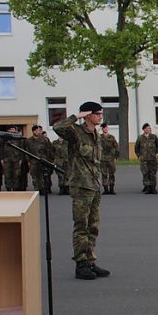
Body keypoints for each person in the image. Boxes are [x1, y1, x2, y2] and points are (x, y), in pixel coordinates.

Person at [53, 101, 110, 280]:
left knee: (93, 226)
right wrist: (76, 116)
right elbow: (57, 127)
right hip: (81, 185)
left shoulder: (96, 134)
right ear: (88, 115)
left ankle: (90, 260)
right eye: (97, 113)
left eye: (101, 114)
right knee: (81, 226)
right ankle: (81, 263)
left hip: (94, 185)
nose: (101, 116)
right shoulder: (76, 132)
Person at [25, 125, 54, 194]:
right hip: (33, 161)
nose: (38, 132)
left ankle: (44, 189)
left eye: (39, 130)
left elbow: (49, 150)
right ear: (33, 131)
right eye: (37, 131)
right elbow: (27, 151)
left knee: (43, 176)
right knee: (35, 176)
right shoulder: (29, 140)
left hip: (43, 160)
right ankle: (37, 189)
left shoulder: (44, 139)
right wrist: (28, 161)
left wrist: (50, 160)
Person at [134, 123, 158, 194]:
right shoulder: (140, 138)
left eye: (149, 128)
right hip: (144, 159)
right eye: (147, 128)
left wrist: (157, 153)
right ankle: (147, 187)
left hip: (152, 158)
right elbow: (136, 148)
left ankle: (153, 188)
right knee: (145, 173)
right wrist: (139, 156)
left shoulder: (154, 137)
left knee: (153, 173)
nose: (148, 129)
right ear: (144, 129)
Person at [99, 123, 119, 195]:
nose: (105, 129)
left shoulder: (111, 137)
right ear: (102, 129)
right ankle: (105, 189)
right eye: (104, 128)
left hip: (111, 158)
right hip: (102, 158)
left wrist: (116, 156)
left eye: (106, 128)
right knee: (104, 174)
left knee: (111, 174)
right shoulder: (99, 137)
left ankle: (111, 189)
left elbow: (116, 147)